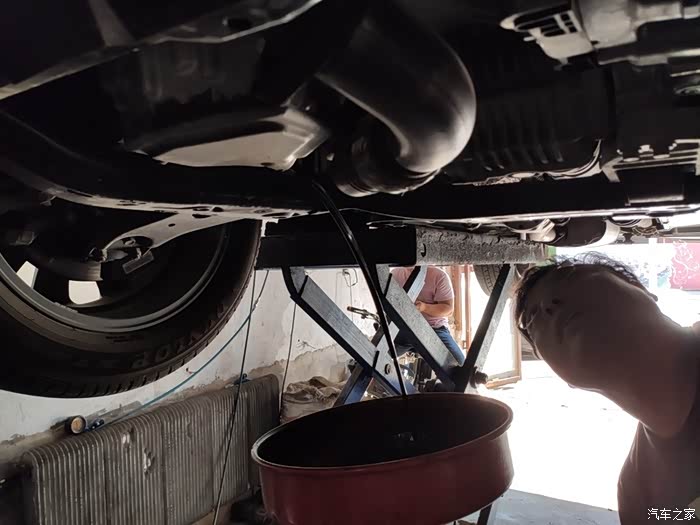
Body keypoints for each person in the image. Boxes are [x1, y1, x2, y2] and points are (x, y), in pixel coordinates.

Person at [513, 253, 699, 523]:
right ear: (562, 375)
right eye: (533, 318)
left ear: (645, 292)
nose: (549, 307)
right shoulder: (642, 498)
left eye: (570, 279)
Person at [391, 265, 465, 365]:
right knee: (375, 354)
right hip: (404, 327)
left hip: (434, 329)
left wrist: (424, 307)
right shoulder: (395, 273)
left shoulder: (439, 276)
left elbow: (448, 309)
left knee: (458, 363)